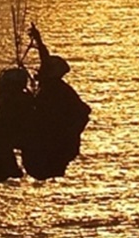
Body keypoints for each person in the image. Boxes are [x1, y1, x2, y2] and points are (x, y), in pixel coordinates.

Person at [19, 24, 90, 180]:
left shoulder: (56, 90)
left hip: (51, 149)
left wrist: (65, 134)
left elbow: (83, 112)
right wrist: (38, 40)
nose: (39, 71)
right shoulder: (49, 86)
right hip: (50, 147)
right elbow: (45, 60)